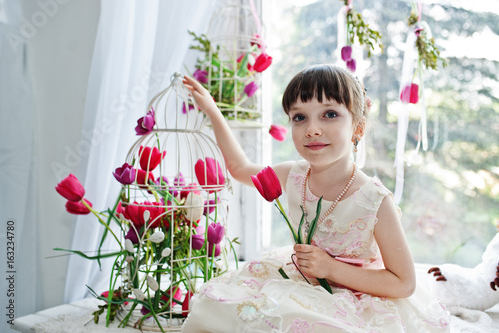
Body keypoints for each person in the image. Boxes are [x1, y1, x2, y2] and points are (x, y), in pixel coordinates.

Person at [181, 64, 450, 332]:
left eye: (329, 114)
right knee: (219, 308)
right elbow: (240, 169)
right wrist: (212, 111)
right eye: (300, 117)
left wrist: (330, 268)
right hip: (297, 282)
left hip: (354, 297)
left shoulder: (374, 199)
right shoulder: (293, 175)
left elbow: (403, 283)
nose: (312, 129)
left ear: (358, 128)